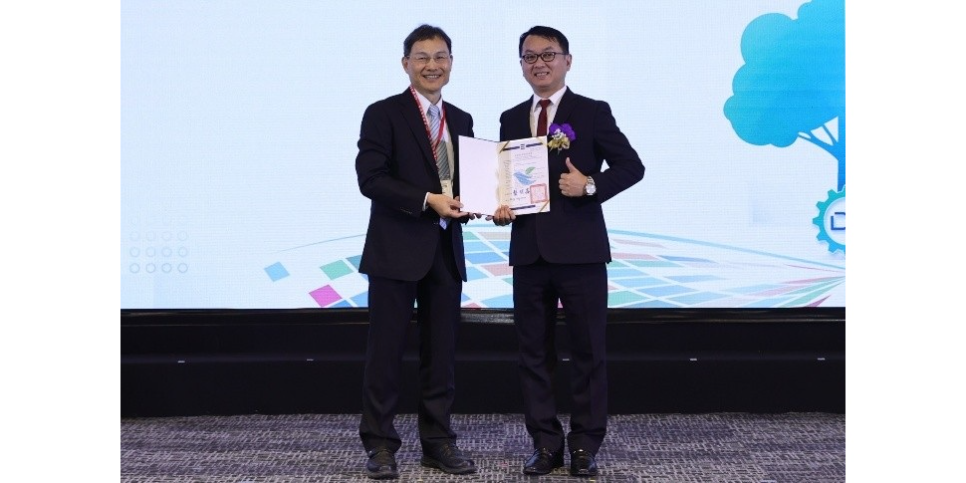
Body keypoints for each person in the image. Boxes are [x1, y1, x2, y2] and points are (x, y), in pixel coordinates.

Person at [491, 25, 645, 477]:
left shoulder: (592, 111)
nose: (539, 63)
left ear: (567, 61)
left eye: (548, 54)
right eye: (529, 56)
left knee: (588, 352)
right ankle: (544, 443)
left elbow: (631, 166)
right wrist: (498, 206)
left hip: (581, 253)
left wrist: (590, 185)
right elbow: (504, 179)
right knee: (532, 355)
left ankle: (584, 445)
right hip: (528, 252)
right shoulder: (510, 117)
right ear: (521, 65)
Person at [355, 24, 477, 480]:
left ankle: (437, 442)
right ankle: (380, 445)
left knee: (441, 356)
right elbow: (371, 179)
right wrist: (428, 200)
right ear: (406, 63)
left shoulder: (461, 119)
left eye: (440, 56)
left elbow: (469, 183)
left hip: (445, 250)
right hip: (395, 251)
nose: (432, 65)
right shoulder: (382, 113)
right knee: (385, 354)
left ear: (451, 63)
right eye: (422, 57)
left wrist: (486, 202)